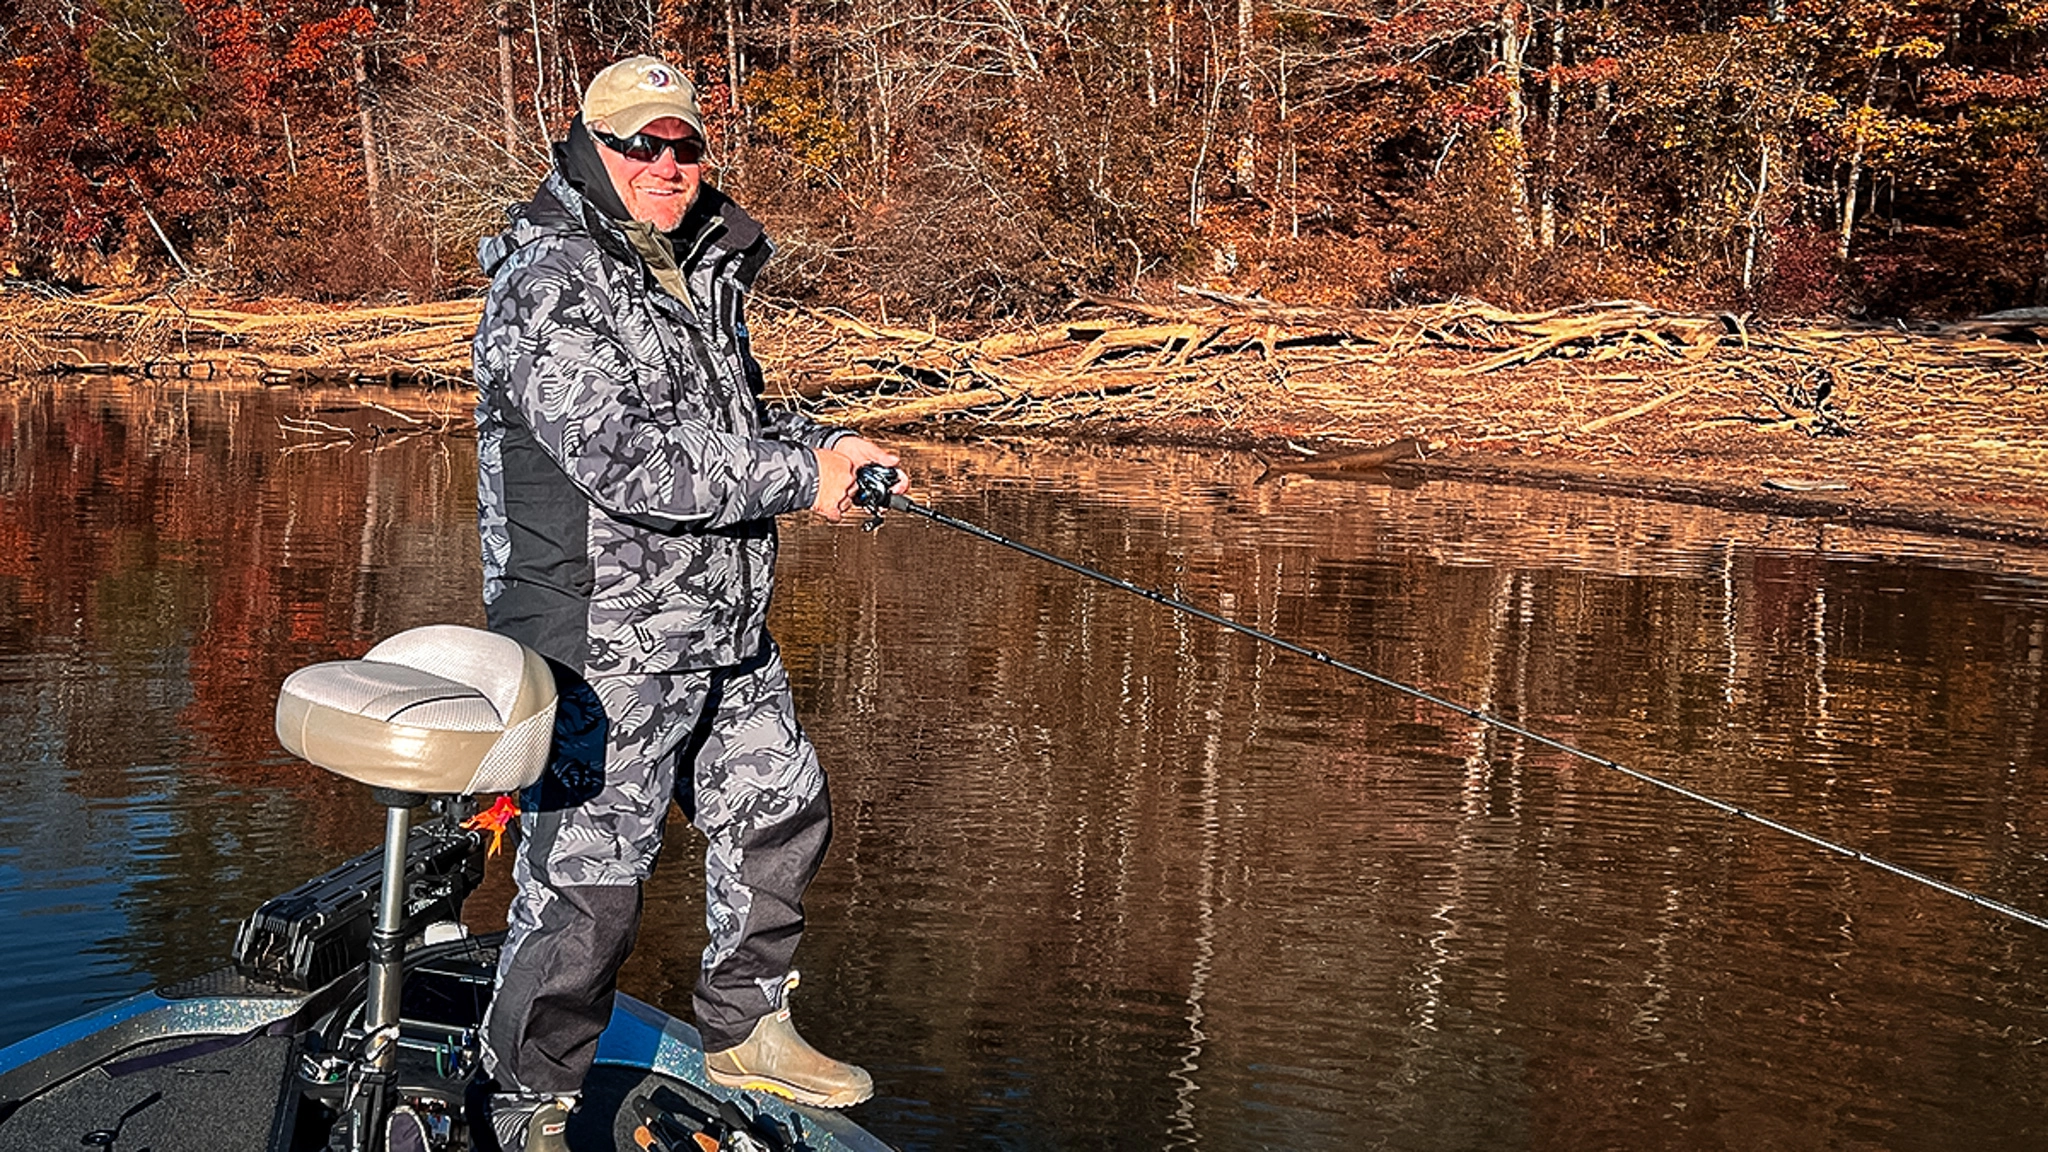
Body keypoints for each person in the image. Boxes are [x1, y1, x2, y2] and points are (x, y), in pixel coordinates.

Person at [469, 54, 903, 1152]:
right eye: (638, 144)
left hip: (719, 626)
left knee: (780, 813)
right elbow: (631, 464)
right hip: (599, 638)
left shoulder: (695, 267)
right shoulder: (549, 281)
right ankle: (526, 1100)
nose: (665, 164)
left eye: (682, 144)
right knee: (588, 892)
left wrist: (827, 446)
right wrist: (801, 483)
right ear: (590, 146)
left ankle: (747, 1024)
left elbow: (733, 426)